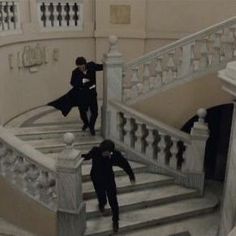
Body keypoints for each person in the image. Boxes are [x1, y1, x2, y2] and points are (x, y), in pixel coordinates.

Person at [82, 139, 136, 233]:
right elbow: (87, 156)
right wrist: (80, 156)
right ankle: (102, 203)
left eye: (108, 153)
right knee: (100, 195)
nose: (105, 154)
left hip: (108, 179)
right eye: (104, 152)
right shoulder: (96, 150)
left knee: (113, 200)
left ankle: (115, 221)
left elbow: (125, 164)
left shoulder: (115, 155)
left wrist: (131, 175)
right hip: (96, 178)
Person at [48, 56, 103, 136]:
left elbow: (102, 67)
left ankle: (91, 127)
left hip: (92, 93)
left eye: (82, 66)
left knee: (95, 111)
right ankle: (86, 123)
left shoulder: (91, 65)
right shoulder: (75, 72)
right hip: (81, 95)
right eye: (79, 67)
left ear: (85, 64)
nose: (81, 68)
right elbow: (72, 83)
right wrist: (82, 81)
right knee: (82, 112)